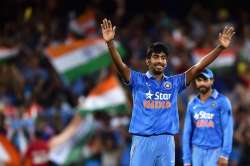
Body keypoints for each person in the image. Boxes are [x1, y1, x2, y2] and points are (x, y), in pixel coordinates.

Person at [100, 18, 235, 166]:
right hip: (142, 140)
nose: (160, 61)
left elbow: (198, 67)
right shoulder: (137, 80)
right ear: (148, 61)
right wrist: (110, 43)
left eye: (163, 58)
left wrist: (220, 48)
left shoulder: (174, 83)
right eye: (156, 57)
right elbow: (120, 65)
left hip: (166, 141)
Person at [182, 68, 233, 166]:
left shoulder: (222, 101)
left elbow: (227, 129)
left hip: (215, 151)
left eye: (205, 80)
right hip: (196, 151)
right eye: (199, 80)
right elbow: (187, 132)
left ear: (212, 81)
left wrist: (225, 155)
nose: (202, 83)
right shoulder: (192, 103)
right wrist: (186, 160)